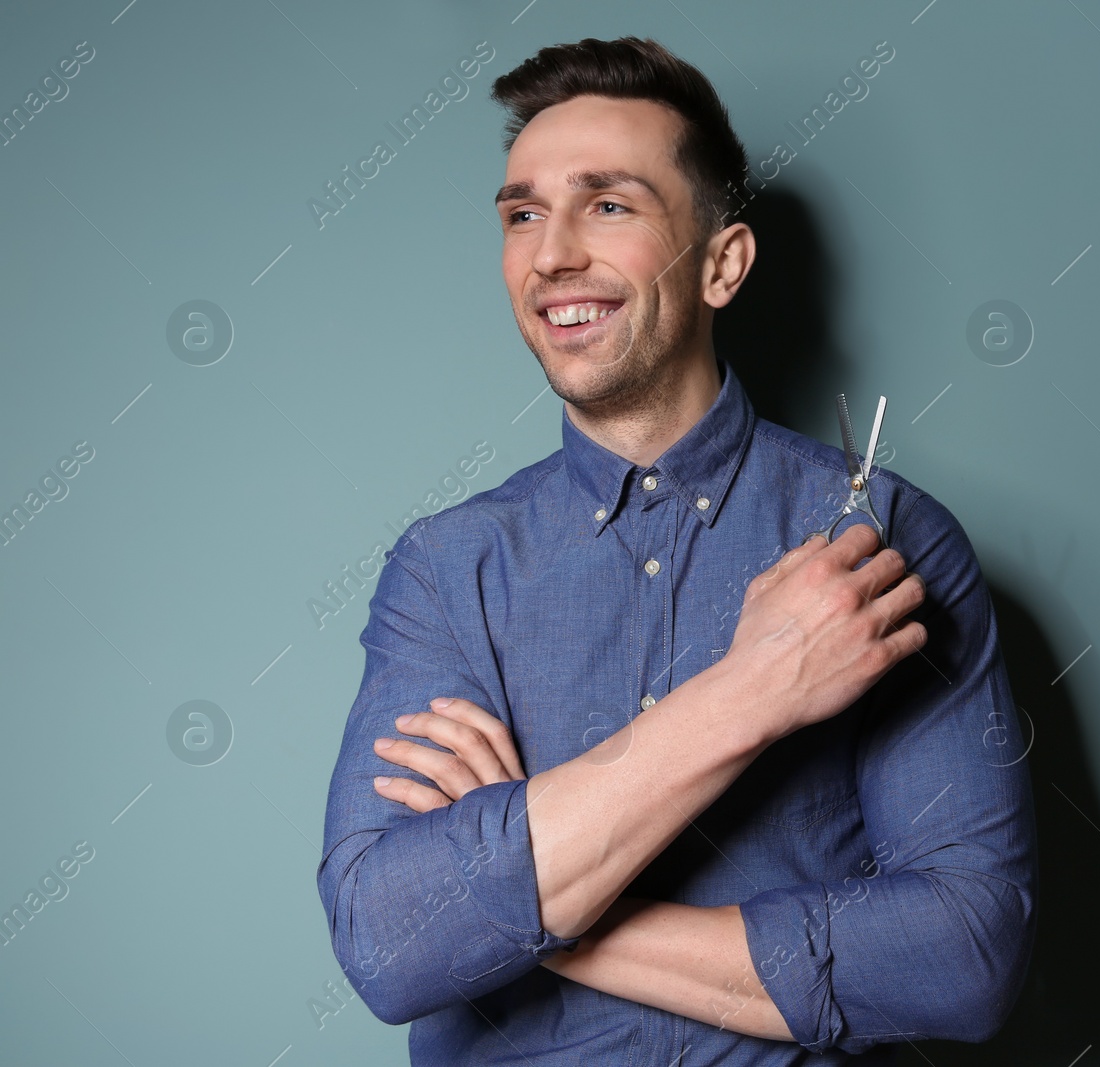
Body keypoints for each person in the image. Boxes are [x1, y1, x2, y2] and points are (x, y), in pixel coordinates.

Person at [316, 35, 1037, 1065]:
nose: (552, 251)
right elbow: (388, 944)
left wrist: (525, 902)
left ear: (722, 263)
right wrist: (753, 690)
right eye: (523, 213)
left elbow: (966, 955)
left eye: (608, 204)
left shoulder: (884, 543)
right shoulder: (446, 568)